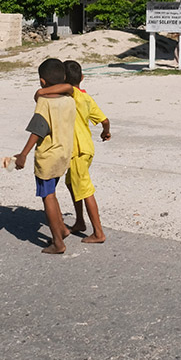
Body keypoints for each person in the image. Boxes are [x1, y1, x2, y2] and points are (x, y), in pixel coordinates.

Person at [36, 59, 110, 244]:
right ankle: (79, 221)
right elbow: (104, 120)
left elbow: (66, 90)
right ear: (83, 77)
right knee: (73, 185)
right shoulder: (86, 97)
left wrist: (41, 92)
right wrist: (105, 132)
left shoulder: (72, 95)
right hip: (85, 148)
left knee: (84, 190)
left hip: (77, 150)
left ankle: (99, 233)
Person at [13, 58, 76, 255]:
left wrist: (23, 155)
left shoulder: (44, 103)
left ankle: (58, 243)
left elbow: (38, 130)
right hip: (64, 154)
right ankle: (62, 230)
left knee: (47, 197)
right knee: (52, 194)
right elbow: (69, 88)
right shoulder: (70, 99)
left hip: (47, 158)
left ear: (42, 81)